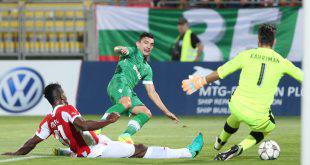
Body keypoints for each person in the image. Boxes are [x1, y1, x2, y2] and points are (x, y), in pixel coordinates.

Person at [181, 24, 303, 160]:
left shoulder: (246, 55)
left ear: (258, 40)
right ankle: (239, 148)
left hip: (236, 105)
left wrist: (200, 82)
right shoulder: (282, 62)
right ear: (274, 41)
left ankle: (220, 140)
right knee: (270, 126)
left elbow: (220, 73)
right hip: (257, 116)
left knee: (236, 115)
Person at [2, 83, 203, 159]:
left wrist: (15, 153)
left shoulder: (47, 120)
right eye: (64, 93)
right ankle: (188, 152)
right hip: (93, 152)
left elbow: (32, 142)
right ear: (61, 97)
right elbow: (83, 125)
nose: (66, 95)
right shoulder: (67, 108)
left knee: (98, 136)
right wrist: (109, 121)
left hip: (87, 146)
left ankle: (66, 151)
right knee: (139, 149)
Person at [98, 32, 179, 144]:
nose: (148, 46)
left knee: (146, 113)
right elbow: (117, 49)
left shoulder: (147, 69)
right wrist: (121, 49)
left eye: (151, 44)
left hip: (129, 91)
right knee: (126, 102)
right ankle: (96, 129)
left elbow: (152, 92)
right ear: (138, 44)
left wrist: (166, 111)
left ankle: (125, 135)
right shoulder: (133, 51)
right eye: (146, 42)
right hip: (118, 82)